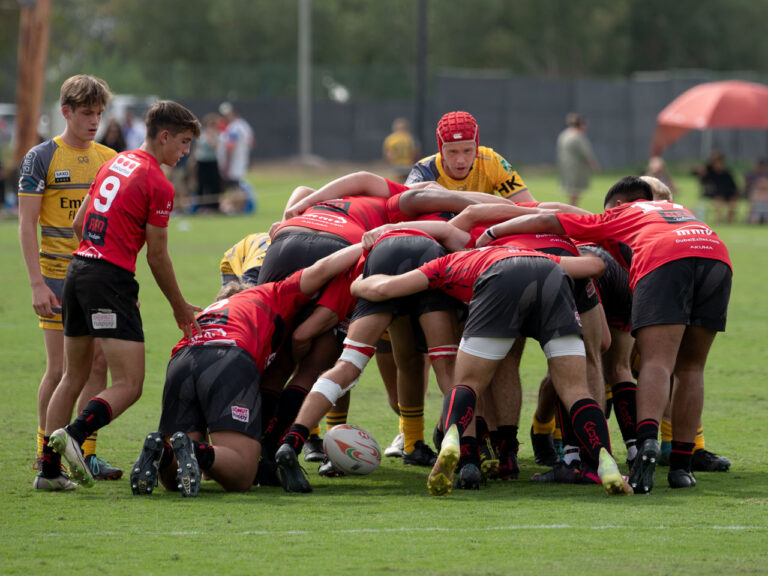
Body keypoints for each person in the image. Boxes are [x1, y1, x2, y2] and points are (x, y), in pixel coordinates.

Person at [483, 176, 732, 493]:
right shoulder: (676, 208)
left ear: (616, 205)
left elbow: (553, 218)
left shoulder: (623, 213)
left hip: (665, 257)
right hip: (715, 253)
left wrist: (494, 231)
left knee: (656, 363)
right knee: (691, 368)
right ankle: (683, 467)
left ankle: (644, 448)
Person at [350, 244, 631, 497]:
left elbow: (383, 289)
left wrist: (357, 285)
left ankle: (452, 441)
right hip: (553, 275)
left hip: (500, 279)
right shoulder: (529, 251)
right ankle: (603, 458)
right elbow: (591, 265)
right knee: (575, 389)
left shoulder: (444, 264)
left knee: (467, 383)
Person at [38, 101, 203, 491]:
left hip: (77, 271)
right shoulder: (158, 184)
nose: (186, 151)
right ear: (163, 136)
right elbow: (158, 256)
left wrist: (98, 274)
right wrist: (179, 308)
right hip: (108, 279)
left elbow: (79, 224)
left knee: (73, 375)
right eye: (182, 142)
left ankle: (47, 471)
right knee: (130, 384)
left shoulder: (116, 161)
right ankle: (74, 435)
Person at [130, 244, 363, 497]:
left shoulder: (216, 309)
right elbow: (322, 268)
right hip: (228, 356)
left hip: (182, 358)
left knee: (176, 480)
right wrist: (366, 243)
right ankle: (195, 450)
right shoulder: (271, 293)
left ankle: (163, 454)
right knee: (242, 474)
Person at [18, 75, 123, 490]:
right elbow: (26, 226)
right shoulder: (41, 157)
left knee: (98, 365)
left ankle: (86, 452)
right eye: (86, 113)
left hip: (96, 279)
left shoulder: (110, 157)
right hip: (55, 279)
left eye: (100, 113)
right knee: (61, 369)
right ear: (66, 112)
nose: (95, 121)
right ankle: (46, 453)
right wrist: (35, 285)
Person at [406, 110, 534, 202]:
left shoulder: (492, 161)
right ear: (441, 151)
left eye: (467, 151)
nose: (461, 160)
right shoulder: (424, 170)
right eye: (453, 152)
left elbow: (528, 205)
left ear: (476, 148)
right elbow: (399, 206)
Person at [217, 102, 256, 214]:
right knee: (236, 186)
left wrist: (227, 164)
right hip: (240, 162)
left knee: (235, 187)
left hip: (233, 164)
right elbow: (251, 143)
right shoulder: (245, 126)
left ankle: (236, 209)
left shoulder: (234, 127)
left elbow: (230, 147)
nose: (225, 117)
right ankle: (236, 208)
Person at [556, 112, 599, 206]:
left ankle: (572, 207)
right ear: (580, 124)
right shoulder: (578, 136)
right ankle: (572, 208)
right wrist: (593, 164)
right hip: (577, 167)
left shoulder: (564, 134)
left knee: (571, 190)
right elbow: (585, 153)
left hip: (565, 165)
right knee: (575, 190)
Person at [695, 150, 739, 224]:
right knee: (719, 199)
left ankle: (729, 219)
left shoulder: (726, 172)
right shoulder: (708, 171)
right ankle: (718, 218)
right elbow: (700, 178)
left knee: (733, 200)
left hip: (727, 193)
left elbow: (733, 185)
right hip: (713, 193)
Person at [192, 113, 223, 213]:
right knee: (201, 184)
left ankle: (214, 207)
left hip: (212, 162)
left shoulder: (217, 135)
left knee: (214, 184)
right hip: (201, 162)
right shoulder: (201, 135)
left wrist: (211, 136)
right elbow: (197, 148)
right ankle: (200, 207)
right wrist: (192, 161)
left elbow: (215, 146)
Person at [382, 117, 419, 184]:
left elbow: (388, 155)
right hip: (408, 165)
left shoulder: (390, 139)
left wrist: (388, 164)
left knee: (397, 185)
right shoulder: (410, 138)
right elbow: (415, 152)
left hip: (396, 166)